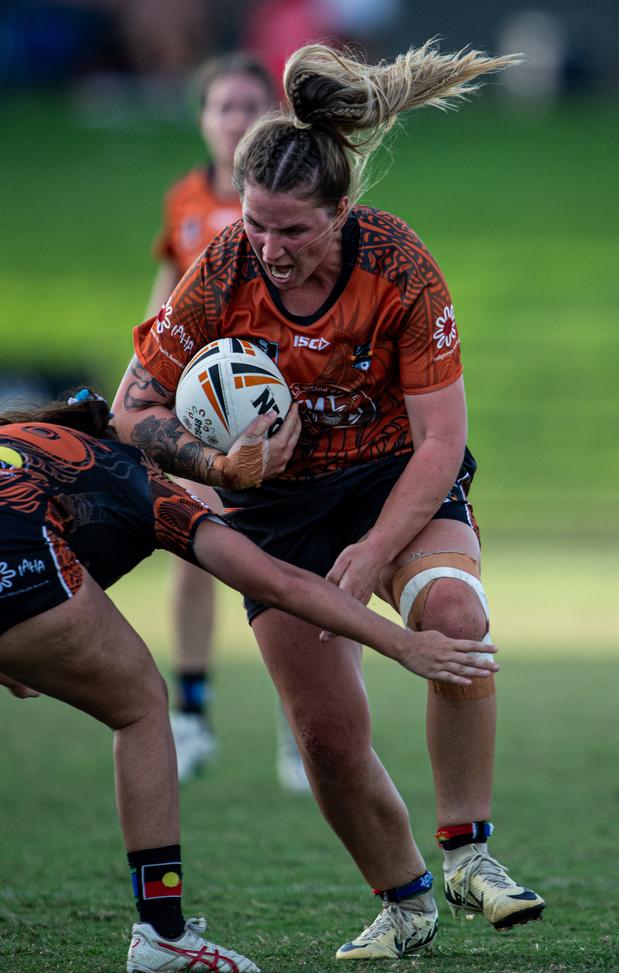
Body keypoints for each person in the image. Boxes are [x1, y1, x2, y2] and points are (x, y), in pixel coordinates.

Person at [111, 38, 546, 961]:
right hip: (277, 512)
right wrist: (217, 467)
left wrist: (377, 545)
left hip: (396, 480)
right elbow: (133, 406)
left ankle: (469, 851)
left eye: (293, 230)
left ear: (344, 210)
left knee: (457, 614)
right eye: (255, 224)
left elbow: (442, 440)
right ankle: (405, 905)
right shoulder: (224, 267)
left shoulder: (398, 265)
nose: (268, 249)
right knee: (325, 733)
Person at [0, 389, 498, 973]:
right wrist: (404, 644)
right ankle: (164, 933)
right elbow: (280, 583)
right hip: (19, 555)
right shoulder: (149, 483)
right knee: (139, 708)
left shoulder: (31, 442)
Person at [145, 52, 307, 789]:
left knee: (293, 558)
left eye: (251, 106)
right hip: (202, 414)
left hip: (278, 408)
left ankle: (302, 724)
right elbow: (163, 300)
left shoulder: (285, 199)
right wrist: (150, 376)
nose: (237, 119)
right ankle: (193, 714)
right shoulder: (185, 200)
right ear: (204, 119)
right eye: (224, 108)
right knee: (197, 544)